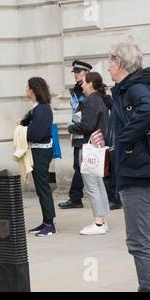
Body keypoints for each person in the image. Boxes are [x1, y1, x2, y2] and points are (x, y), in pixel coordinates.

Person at [91, 42, 150, 291]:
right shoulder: (126, 90)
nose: (108, 68)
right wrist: (109, 139)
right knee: (148, 238)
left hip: (139, 176)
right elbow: (128, 124)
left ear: (120, 63)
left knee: (138, 243)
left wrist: (123, 140)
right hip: (141, 172)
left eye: (110, 62)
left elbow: (149, 110)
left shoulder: (135, 88)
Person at [67, 72, 110, 235]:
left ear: (91, 84)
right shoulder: (100, 99)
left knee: (92, 185)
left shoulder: (91, 101)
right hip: (98, 146)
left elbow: (86, 125)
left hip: (90, 147)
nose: (81, 85)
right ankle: (102, 220)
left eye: (84, 82)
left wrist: (71, 127)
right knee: (98, 185)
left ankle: (98, 223)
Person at [18, 77, 56, 237]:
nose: (26, 90)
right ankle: (46, 221)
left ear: (33, 90)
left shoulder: (42, 109)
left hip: (41, 151)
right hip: (38, 150)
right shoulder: (38, 108)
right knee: (41, 188)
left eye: (27, 87)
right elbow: (28, 122)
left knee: (43, 188)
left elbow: (35, 133)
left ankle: (50, 224)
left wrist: (23, 129)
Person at [58, 60, 92, 209]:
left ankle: (76, 197)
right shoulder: (75, 90)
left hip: (88, 132)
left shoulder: (91, 90)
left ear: (86, 73)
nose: (76, 75)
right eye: (75, 72)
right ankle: (76, 198)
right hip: (79, 131)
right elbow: (76, 112)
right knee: (78, 165)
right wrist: (73, 129)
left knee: (88, 166)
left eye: (79, 72)